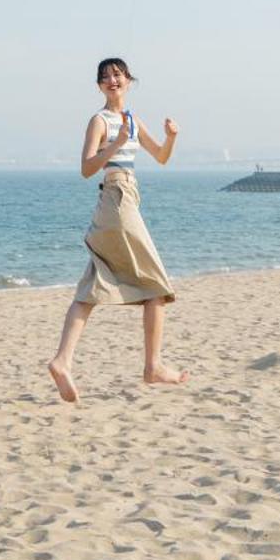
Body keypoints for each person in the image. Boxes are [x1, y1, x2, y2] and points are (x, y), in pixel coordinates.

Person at [47, 56, 185, 401]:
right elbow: (86, 168)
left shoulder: (133, 119)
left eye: (118, 74)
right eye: (105, 76)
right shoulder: (100, 121)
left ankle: (62, 361)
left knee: (93, 285)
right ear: (99, 86)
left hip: (123, 199)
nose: (112, 80)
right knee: (157, 286)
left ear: (128, 81)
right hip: (116, 196)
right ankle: (153, 366)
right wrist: (116, 142)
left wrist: (171, 138)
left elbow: (162, 157)